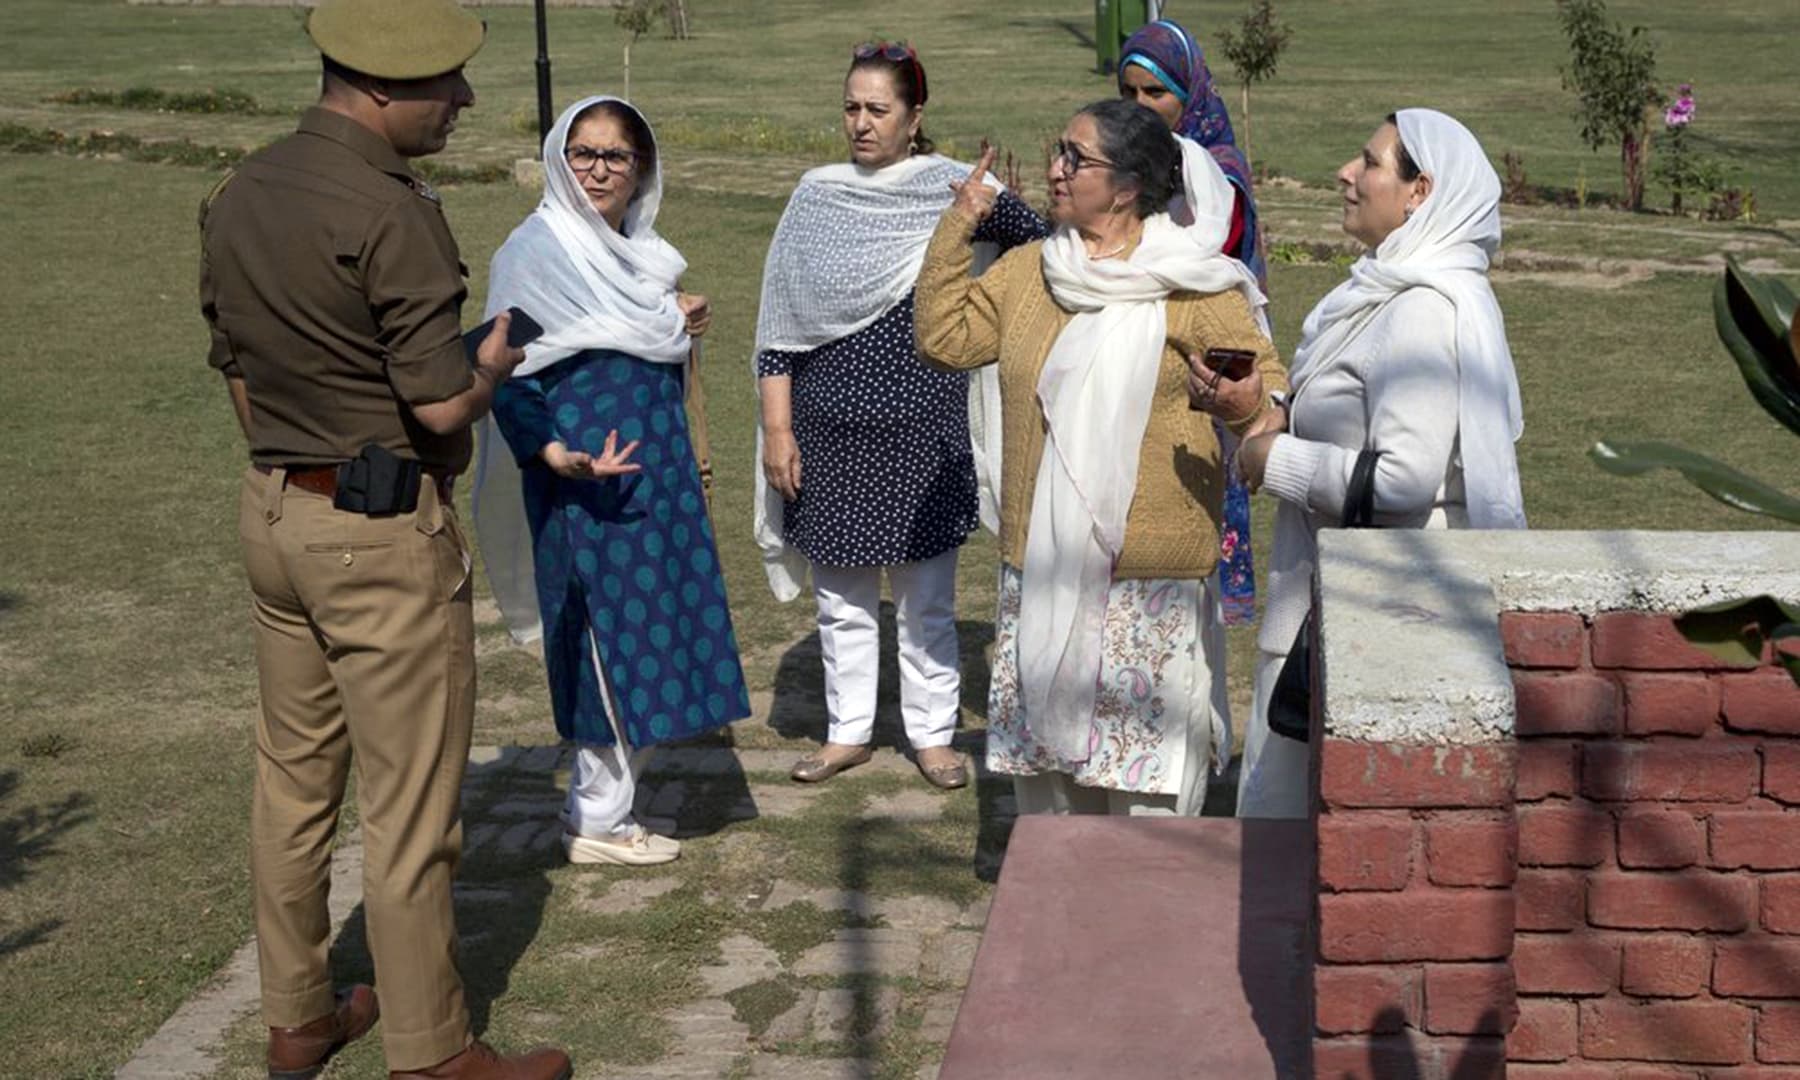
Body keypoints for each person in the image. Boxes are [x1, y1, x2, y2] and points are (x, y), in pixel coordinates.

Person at [198, 0, 571, 1076]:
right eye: (442, 85)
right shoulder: (391, 208)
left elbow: (236, 368)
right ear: (377, 90)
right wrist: (490, 361)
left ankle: (299, 1015)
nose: (460, 101)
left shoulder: (240, 191)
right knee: (408, 812)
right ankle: (432, 1050)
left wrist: (297, 457)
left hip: (276, 512)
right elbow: (446, 408)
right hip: (376, 533)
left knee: (293, 786)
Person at [915, 99, 1286, 816]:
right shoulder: (1032, 274)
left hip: (1150, 579)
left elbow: (1268, 389)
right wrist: (960, 222)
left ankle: (1149, 930)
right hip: (1046, 567)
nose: (1055, 168)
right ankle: (1059, 920)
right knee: (1052, 793)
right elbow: (944, 337)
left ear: (1125, 187)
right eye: (1058, 151)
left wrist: (1247, 406)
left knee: (1145, 798)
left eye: (1075, 158)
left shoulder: (1191, 284)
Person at [752, 42, 1049, 789]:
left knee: (927, 604)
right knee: (842, 600)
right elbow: (777, 330)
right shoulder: (815, 196)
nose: (860, 122)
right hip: (826, 431)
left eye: (877, 109)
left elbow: (1041, 248)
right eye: (851, 107)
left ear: (915, 117)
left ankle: (932, 735)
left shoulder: (954, 190)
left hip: (926, 432)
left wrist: (982, 290)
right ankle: (847, 731)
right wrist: (778, 430)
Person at [473, 95, 750, 868]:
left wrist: (677, 315)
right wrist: (552, 454)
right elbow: (508, 373)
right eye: (583, 154)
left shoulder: (646, 258)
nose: (597, 170)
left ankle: (604, 803)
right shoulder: (532, 254)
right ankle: (598, 818)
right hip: (581, 477)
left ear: (641, 171)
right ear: (560, 160)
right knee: (601, 634)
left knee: (658, 621)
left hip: (652, 472)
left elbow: (640, 335)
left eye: (615, 157)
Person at [1233, 109, 1527, 819]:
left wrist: (1275, 459)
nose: (1346, 172)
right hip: (1336, 610)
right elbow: (1351, 394)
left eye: (1368, 162)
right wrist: (1284, 405)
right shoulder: (1383, 291)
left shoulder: (1422, 310)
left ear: (1420, 191)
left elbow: (1402, 481)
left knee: (1282, 838)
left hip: (1368, 622)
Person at [1118, 17, 1269, 627]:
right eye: (1128, 94)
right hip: (1134, 355)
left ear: (1190, 94)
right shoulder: (1123, 161)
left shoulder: (1217, 170)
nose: (1141, 108)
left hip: (1204, 357)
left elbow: (1212, 260)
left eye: (1156, 93)